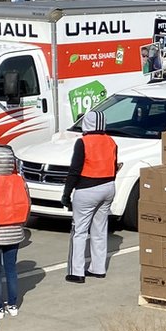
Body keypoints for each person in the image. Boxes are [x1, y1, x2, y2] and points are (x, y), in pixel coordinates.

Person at [61, 111, 117, 284]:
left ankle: (76, 272)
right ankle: (98, 269)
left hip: (87, 189)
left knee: (79, 232)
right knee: (99, 230)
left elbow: (74, 170)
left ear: (87, 123)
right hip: (108, 187)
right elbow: (115, 165)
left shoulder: (83, 142)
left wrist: (66, 193)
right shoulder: (111, 141)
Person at [0, 146, 29, 319]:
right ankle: (13, 304)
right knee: (11, 269)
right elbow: (28, 204)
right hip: (15, 232)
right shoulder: (19, 180)